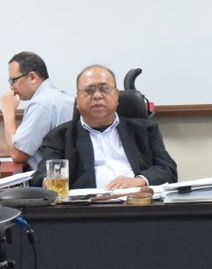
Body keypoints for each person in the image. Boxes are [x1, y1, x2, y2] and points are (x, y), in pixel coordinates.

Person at [32, 65, 178, 190]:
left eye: (104, 89)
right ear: (77, 100)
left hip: (138, 207)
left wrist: (138, 181)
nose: (97, 96)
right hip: (86, 215)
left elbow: (167, 170)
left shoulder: (144, 130)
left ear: (116, 96)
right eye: (89, 91)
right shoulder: (59, 137)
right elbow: (42, 175)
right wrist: (50, 182)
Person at [0, 50, 74, 166]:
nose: (11, 87)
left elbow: (18, 154)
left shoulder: (41, 104)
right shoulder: (60, 97)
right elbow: (27, 147)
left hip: (47, 181)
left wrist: (8, 110)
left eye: (13, 80)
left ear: (32, 77)